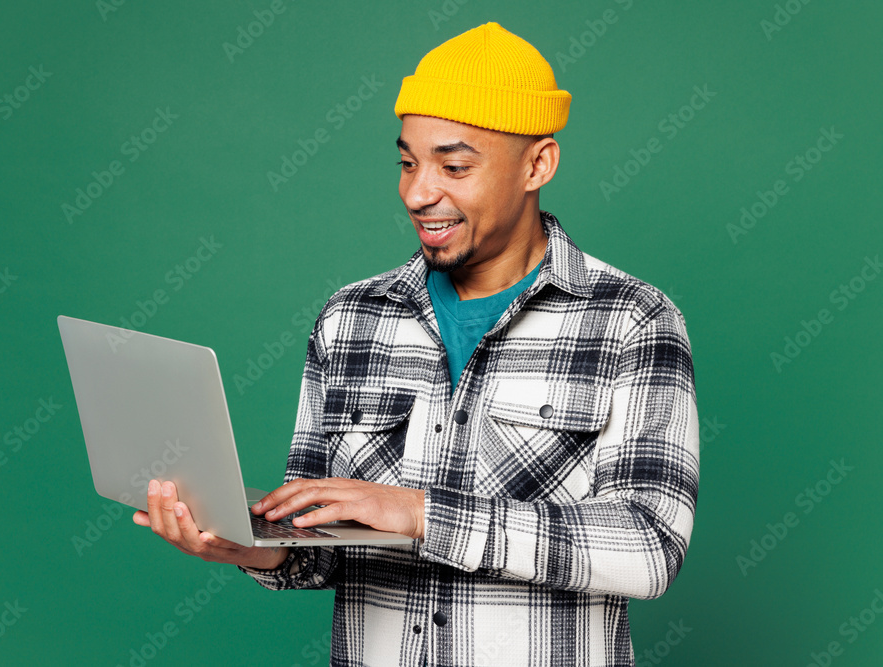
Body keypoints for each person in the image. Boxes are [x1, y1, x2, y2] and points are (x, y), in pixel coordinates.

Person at [132, 21, 699, 667]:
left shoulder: (632, 320)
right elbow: (320, 548)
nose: (418, 192)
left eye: (454, 166)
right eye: (408, 162)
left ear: (537, 164)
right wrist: (254, 547)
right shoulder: (351, 318)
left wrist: (421, 513)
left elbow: (650, 546)